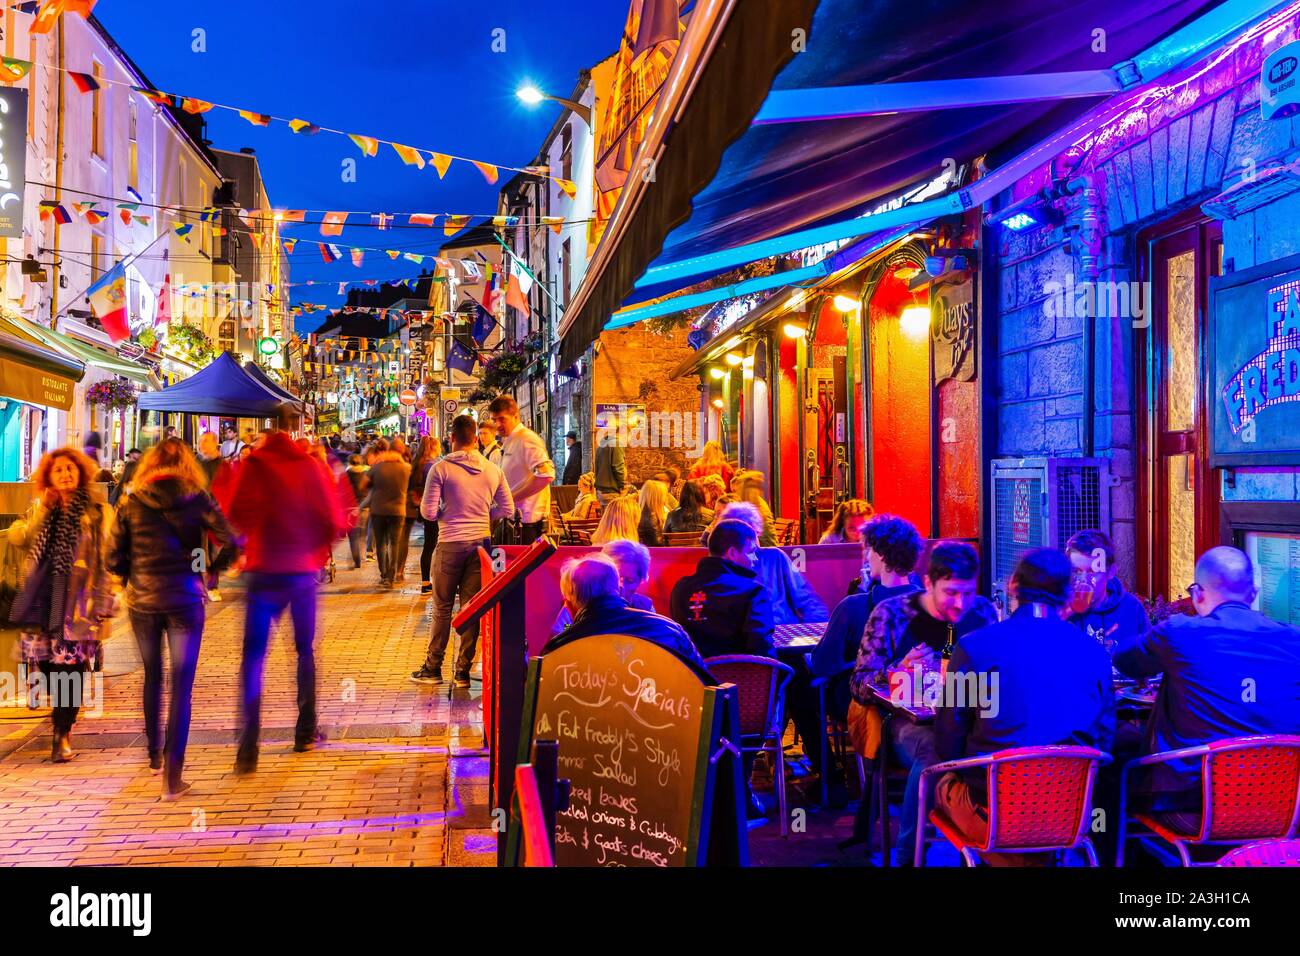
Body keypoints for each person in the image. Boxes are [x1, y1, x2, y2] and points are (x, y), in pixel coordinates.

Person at [933, 548, 1116, 866]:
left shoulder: (974, 647)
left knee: (940, 784)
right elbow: (1104, 738)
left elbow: (948, 742)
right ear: (1067, 594)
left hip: (993, 810)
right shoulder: (1095, 653)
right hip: (1069, 811)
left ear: (1013, 585)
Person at [1114, 545, 1300, 822]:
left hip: (1193, 808)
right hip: (1281, 808)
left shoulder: (1178, 632)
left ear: (1197, 594)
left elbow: (1124, 661)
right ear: (1253, 594)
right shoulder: (1294, 639)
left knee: (1118, 746)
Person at [848, 540, 1000, 865]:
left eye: (968, 593)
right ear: (929, 583)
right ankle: (909, 855)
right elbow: (858, 684)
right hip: (905, 724)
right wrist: (897, 669)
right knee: (934, 745)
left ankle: (1001, 844)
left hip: (970, 720)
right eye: (951, 592)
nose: (960, 603)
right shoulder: (892, 613)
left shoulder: (984, 612)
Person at [106, 438, 238, 798]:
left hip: (143, 602)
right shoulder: (197, 498)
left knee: (152, 677)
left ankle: (153, 755)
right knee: (181, 687)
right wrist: (209, 570)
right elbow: (231, 539)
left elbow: (113, 556)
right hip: (184, 599)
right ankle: (172, 775)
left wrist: (131, 575)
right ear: (187, 465)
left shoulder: (132, 501)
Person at [226, 407, 348, 773]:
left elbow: (235, 514)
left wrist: (252, 540)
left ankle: (247, 745)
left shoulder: (254, 464)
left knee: (253, 659)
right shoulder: (309, 465)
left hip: (262, 571)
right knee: (304, 652)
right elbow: (333, 519)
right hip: (300, 573)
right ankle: (305, 732)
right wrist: (313, 549)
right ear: (296, 427)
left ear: (268, 428)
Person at [6, 449, 116, 764]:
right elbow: (24, 539)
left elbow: (106, 557)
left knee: (71, 670)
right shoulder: (44, 509)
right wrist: (37, 513)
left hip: (79, 604)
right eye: (58, 471)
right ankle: (61, 721)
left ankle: (61, 733)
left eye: (70, 469)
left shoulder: (96, 511)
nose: (65, 475)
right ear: (49, 477)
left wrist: (105, 599)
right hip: (43, 602)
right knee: (50, 668)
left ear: (80, 472)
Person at [411, 415, 513, 686]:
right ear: (476, 439)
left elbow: (428, 512)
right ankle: (462, 672)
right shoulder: (493, 470)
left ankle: (433, 668)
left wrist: (448, 513)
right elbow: (508, 508)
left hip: (450, 542)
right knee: (472, 607)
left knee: (442, 607)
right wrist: (483, 515)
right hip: (481, 545)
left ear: (452, 439)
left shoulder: (441, 469)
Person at [811, 515, 924, 722]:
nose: (866, 557)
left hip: (864, 707)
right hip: (918, 702)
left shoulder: (852, 607)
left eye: (868, 549)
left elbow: (822, 665)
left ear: (881, 554)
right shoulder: (931, 607)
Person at [544, 554, 707, 671]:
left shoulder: (560, 647)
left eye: (631, 579)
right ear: (618, 590)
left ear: (569, 604)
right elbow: (705, 687)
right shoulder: (669, 630)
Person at [669, 518, 774, 659]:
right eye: (751, 552)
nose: (755, 558)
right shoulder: (752, 592)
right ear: (732, 553)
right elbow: (761, 651)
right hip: (740, 672)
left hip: (690, 671)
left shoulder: (680, 588)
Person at [720, 501, 827, 625]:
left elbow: (806, 600)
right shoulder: (723, 567)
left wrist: (818, 629)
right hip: (754, 632)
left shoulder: (775, 557)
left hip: (782, 628)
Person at [551, 538, 657, 635]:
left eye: (630, 581)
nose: (621, 586)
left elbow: (655, 643)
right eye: (617, 578)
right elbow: (561, 638)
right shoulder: (577, 604)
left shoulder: (645, 607)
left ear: (640, 581)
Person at [1065, 528, 1148, 649]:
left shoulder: (1131, 608)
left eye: (1092, 572)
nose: (1083, 580)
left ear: (1111, 572)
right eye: (1077, 571)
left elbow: (1148, 656)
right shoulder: (1060, 606)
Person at [489, 395, 555, 544]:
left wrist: (510, 498)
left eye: (502, 419)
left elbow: (546, 475)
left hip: (526, 525)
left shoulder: (526, 439)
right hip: (512, 521)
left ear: (516, 416)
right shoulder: (511, 440)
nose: (497, 424)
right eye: (494, 420)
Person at [366, 438, 411, 589]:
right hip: (398, 511)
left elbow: (363, 484)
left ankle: (384, 574)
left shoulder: (377, 466)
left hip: (378, 510)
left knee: (381, 543)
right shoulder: (406, 468)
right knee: (395, 543)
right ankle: (391, 576)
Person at [400, 436, 439, 589]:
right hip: (435, 508)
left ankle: (425, 582)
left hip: (422, 508)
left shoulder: (417, 464)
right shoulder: (433, 466)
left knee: (428, 546)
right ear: (434, 448)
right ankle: (436, 581)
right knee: (437, 546)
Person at [343, 454, 371, 570]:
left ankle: (356, 559)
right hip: (365, 506)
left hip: (350, 508)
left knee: (353, 535)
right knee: (362, 534)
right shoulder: (367, 472)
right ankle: (362, 556)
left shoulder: (346, 474)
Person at [593, 423, 625, 504]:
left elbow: (596, 468)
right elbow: (618, 467)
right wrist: (622, 486)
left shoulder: (601, 445)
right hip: (611, 491)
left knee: (605, 512)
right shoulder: (616, 444)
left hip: (601, 491)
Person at [637, 479, 671, 547]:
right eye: (665, 495)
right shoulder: (652, 517)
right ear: (658, 497)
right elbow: (658, 545)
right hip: (653, 552)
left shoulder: (639, 512)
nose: (666, 498)